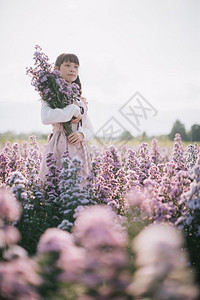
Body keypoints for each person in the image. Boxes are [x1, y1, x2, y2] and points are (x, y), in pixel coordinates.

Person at [39, 53, 94, 186]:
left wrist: (81, 135)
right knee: (55, 182)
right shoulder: (51, 96)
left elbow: (89, 129)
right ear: (57, 69)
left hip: (78, 147)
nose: (72, 69)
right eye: (67, 65)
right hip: (58, 145)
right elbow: (46, 118)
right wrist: (72, 110)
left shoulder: (79, 100)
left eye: (76, 66)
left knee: (78, 185)